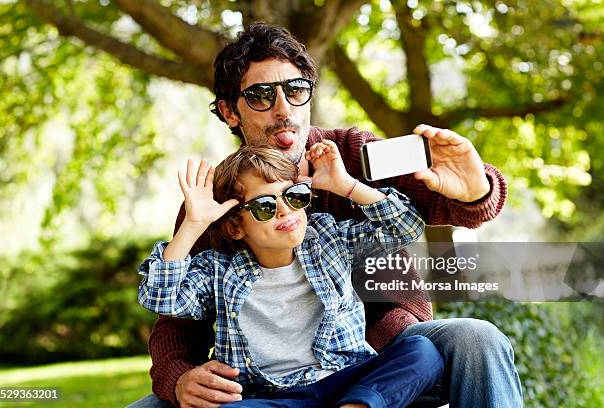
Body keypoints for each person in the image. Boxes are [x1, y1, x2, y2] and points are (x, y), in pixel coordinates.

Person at [130, 23, 522, 408]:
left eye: (296, 90)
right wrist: (178, 377)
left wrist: (475, 189)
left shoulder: (352, 153)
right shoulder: (215, 200)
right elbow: (175, 320)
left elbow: (440, 209)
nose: (284, 110)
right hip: (264, 384)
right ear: (231, 111)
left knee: (475, 338)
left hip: (377, 356)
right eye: (262, 96)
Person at [137, 143, 443, 408]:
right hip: (271, 397)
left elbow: (406, 227)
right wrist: (194, 223)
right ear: (235, 226)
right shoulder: (218, 270)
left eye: (294, 196)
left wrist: (346, 185)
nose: (285, 210)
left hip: (346, 379)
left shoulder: (328, 239)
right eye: (265, 206)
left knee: (422, 352)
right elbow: (160, 296)